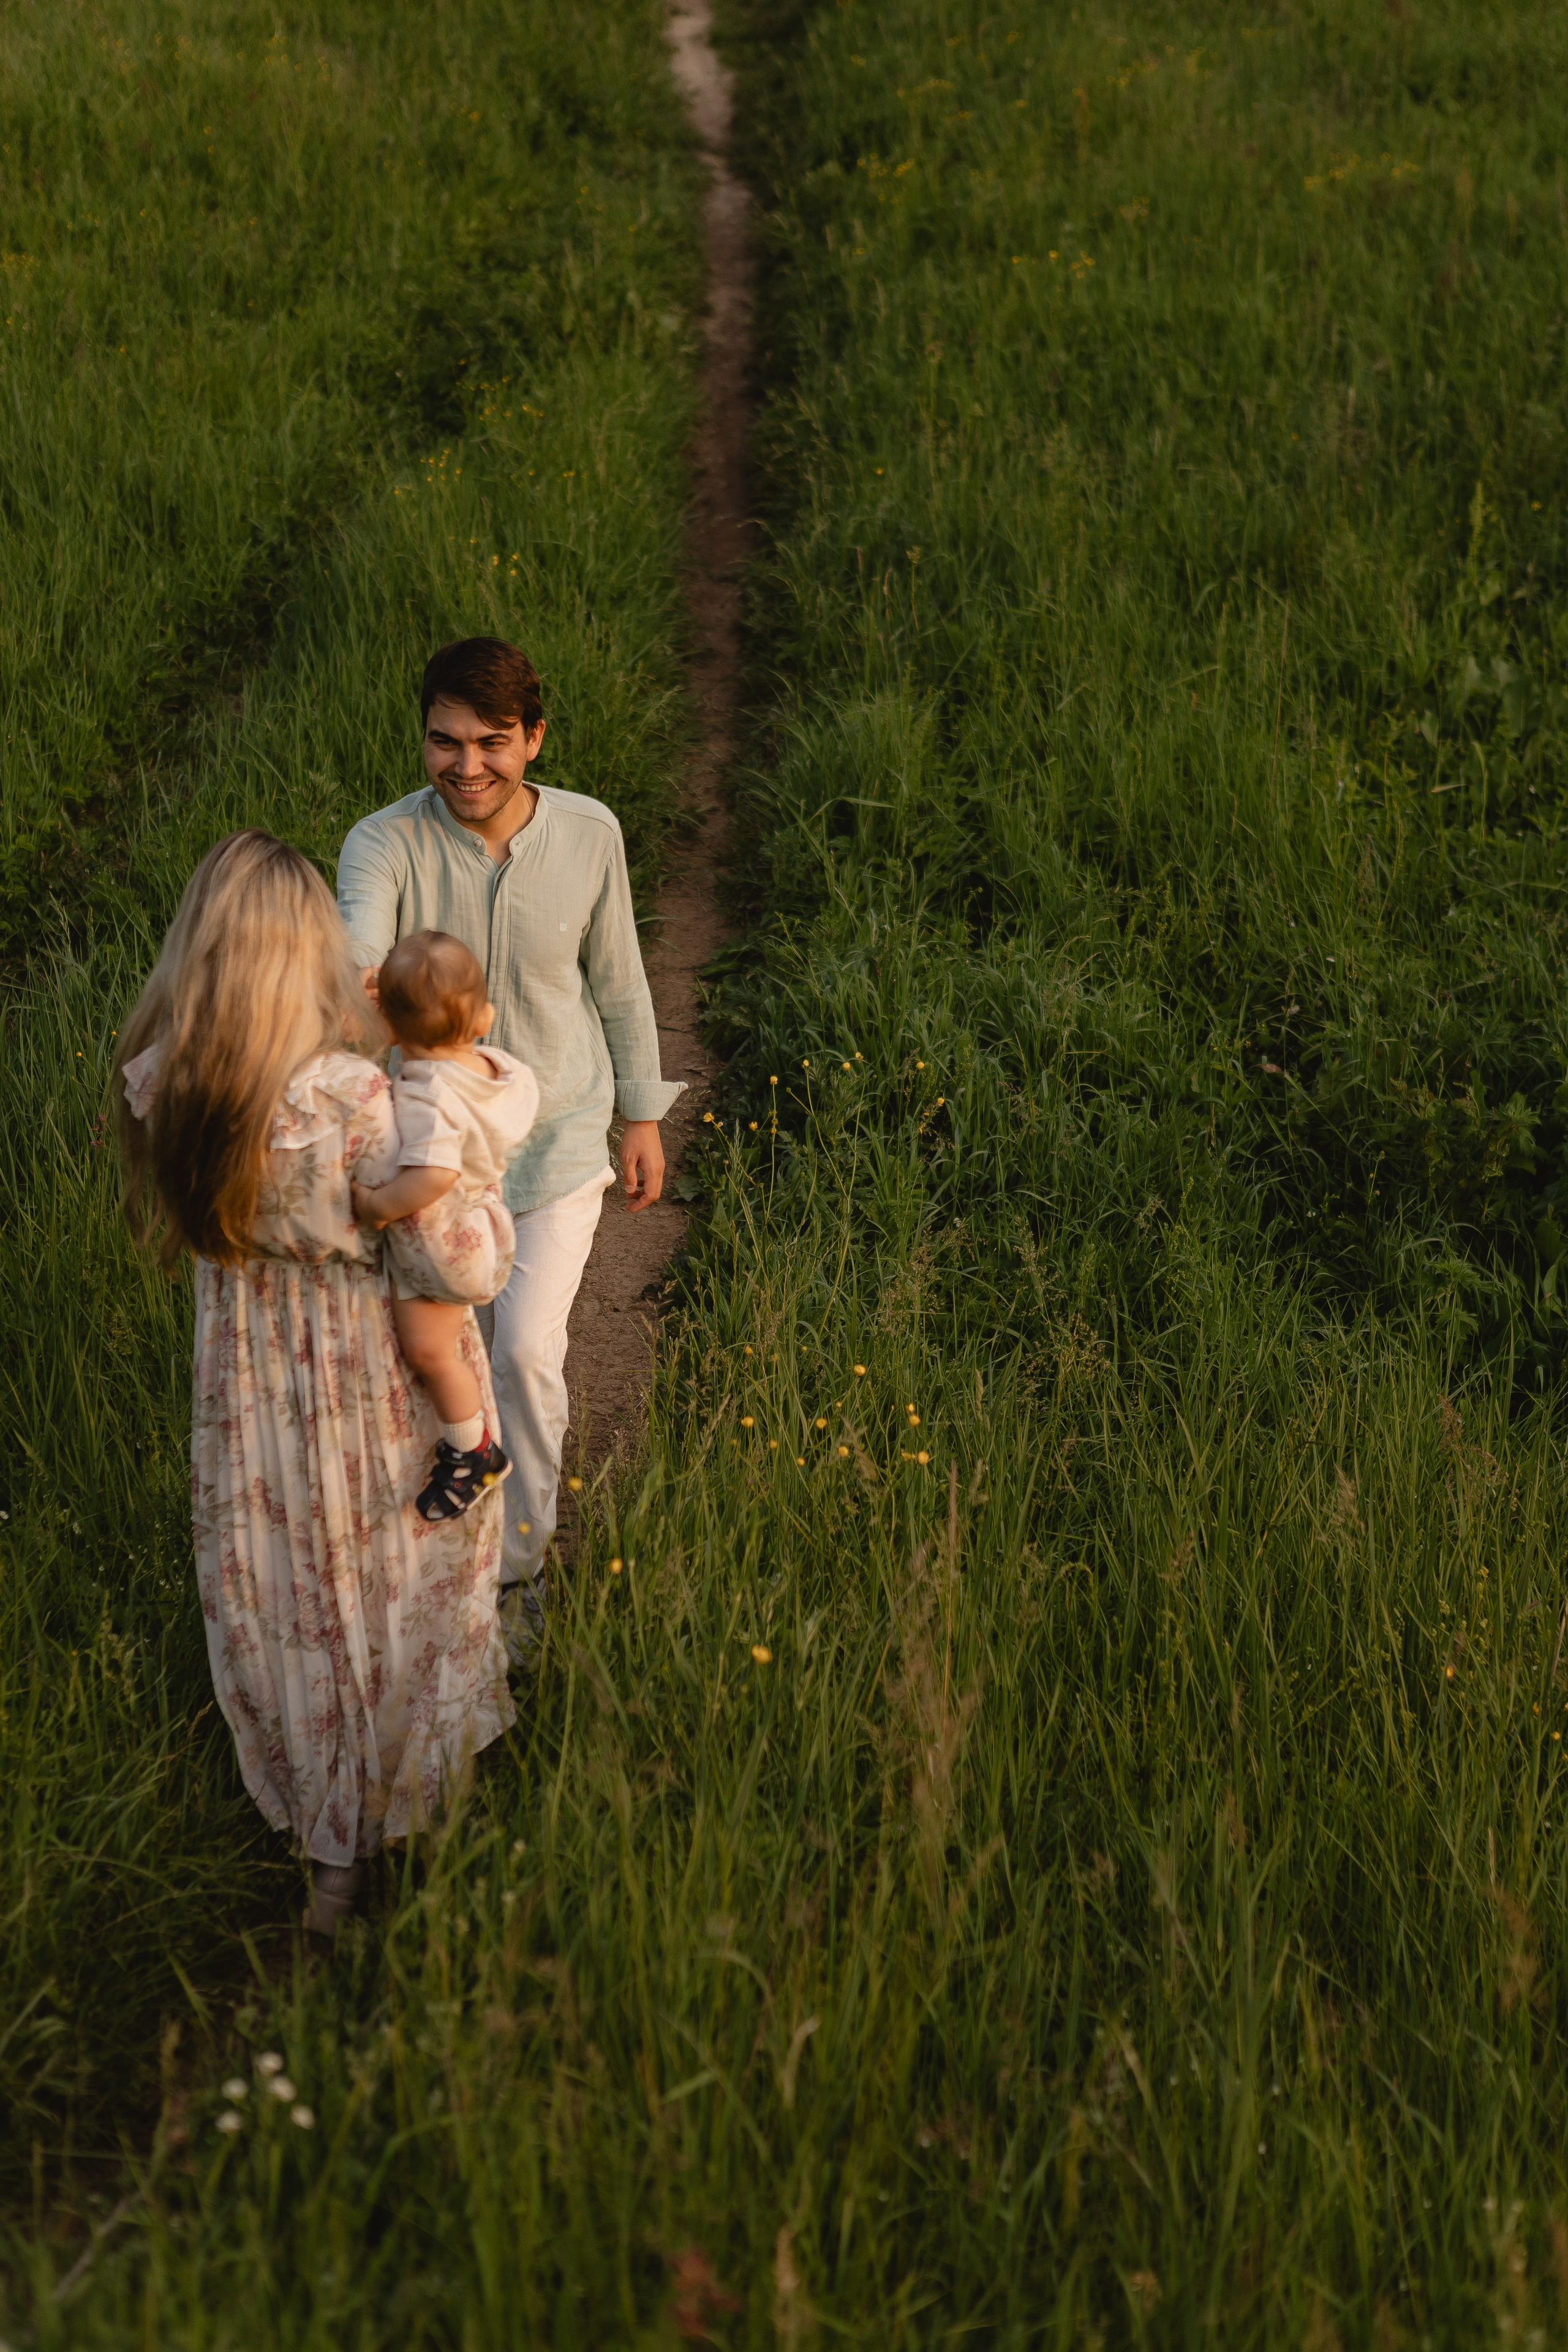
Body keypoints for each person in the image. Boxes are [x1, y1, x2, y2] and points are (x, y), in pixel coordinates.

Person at [116, 831, 514, 1937]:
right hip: (361, 1376)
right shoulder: (353, 1099)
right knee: (392, 1571)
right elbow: (458, 1265)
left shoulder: (169, 1081)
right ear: (307, 954)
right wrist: (486, 1203)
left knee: (286, 1592)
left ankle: (326, 1844)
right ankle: (410, 1815)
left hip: (247, 1383)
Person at [337, 637, 684, 1626]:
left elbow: (618, 979)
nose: (467, 766)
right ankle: (436, 1573)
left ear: (534, 738)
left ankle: (519, 1578)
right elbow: (358, 955)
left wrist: (642, 1113)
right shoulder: (382, 843)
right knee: (439, 1368)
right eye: (445, 742)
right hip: (432, 1160)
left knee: (525, 1352)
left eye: (492, 742)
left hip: (557, 1142)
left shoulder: (590, 832)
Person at [350, 928, 539, 1523]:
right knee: (447, 1344)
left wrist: (378, 1205)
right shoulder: (500, 1070)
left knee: (430, 1352)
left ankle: (473, 1451)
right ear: (484, 1018)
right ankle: (470, 1445)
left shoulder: (428, 1093)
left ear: (393, 1030)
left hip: (441, 1237)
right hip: (486, 1221)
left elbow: (434, 1174)